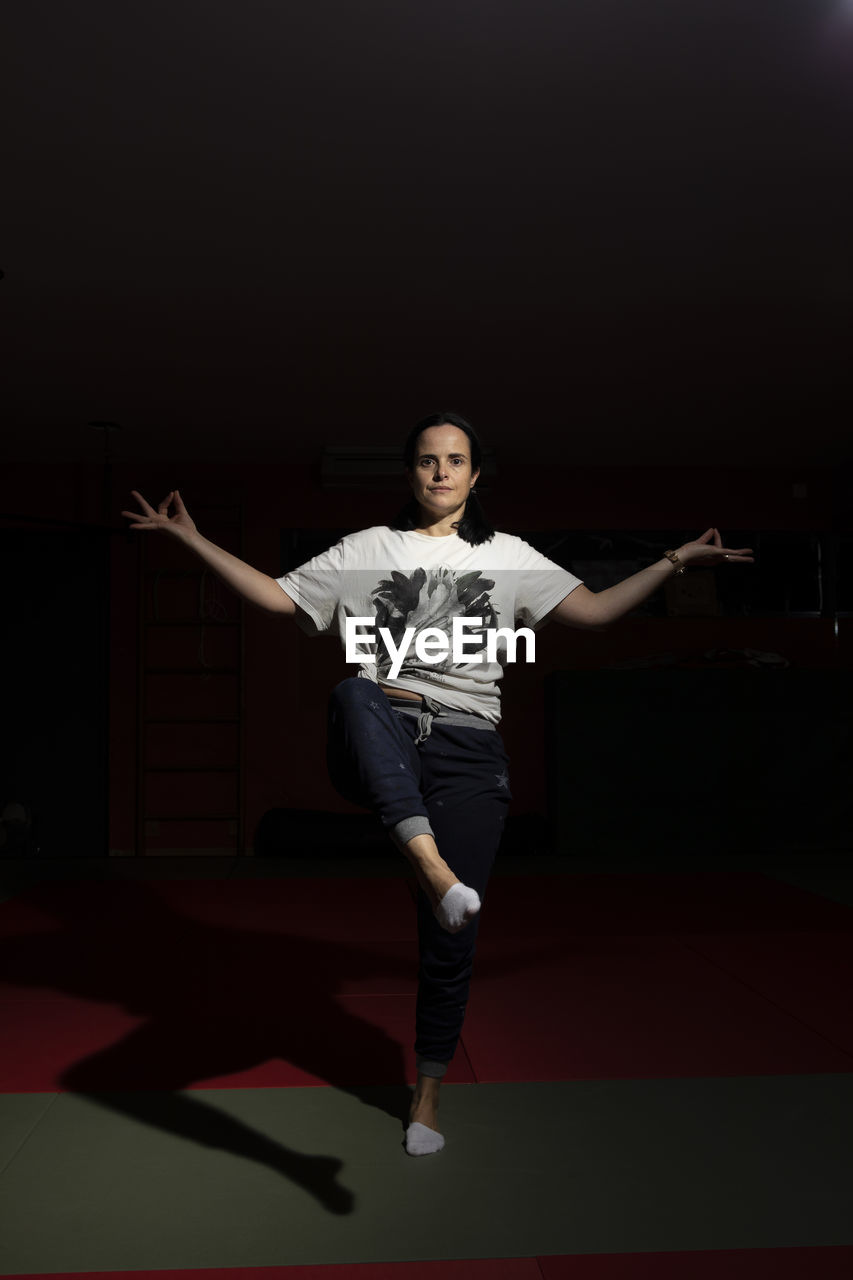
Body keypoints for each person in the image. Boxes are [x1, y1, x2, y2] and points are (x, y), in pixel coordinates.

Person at [123, 411, 754, 1156]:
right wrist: (189, 540)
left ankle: (424, 1098)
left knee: (450, 940)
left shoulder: (512, 557)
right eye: (426, 460)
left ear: (475, 473)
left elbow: (591, 612)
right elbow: (276, 598)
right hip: (382, 732)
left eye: (455, 460)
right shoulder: (368, 550)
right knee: (355, 690)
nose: (441, 472)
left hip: (468, 753)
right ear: (409, 472)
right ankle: (428, 864)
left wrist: (673, 563)